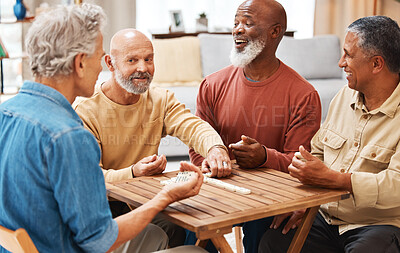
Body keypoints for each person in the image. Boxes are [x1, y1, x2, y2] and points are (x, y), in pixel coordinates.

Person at [0, 4, 207, 253]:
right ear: (79, 63)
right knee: (196, 251)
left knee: (158, 234)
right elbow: (100, 240)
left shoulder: (6, 112)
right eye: (99, 57)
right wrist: (167, 196)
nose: (101, 68)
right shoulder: (70, 136)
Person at [72, 28, 232, 247]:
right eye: (132, 60)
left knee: (198, 221)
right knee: (164, 230)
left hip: (143, 200)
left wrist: (215, 148)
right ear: (110, 63)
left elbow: (192, 126)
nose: (143, 68)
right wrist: (133, 172)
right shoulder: (85, 110)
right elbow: (91, 179)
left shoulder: (160, 99)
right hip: (102, 210)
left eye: (148, 59)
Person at [187, 0, 321, 252]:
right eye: (236, 23)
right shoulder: (212, 85)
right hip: (219, 186)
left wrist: (264, 157)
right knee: (190, 217)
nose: (237, 29)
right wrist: (207, 160)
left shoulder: (304, 94)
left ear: (275, 32)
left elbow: (300, 163)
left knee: (268, 227)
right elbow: (197, 144)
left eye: (248, 23)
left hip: (270, 197)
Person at [259, 15, 400, 252]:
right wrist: (305, 201)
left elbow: (396, 186)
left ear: (377, 64)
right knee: (273, 242)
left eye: (348, 54)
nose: (340, 62)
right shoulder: (344, 96)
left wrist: (337, 180)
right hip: (325, 214)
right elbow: (317, 153)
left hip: (378, 223)